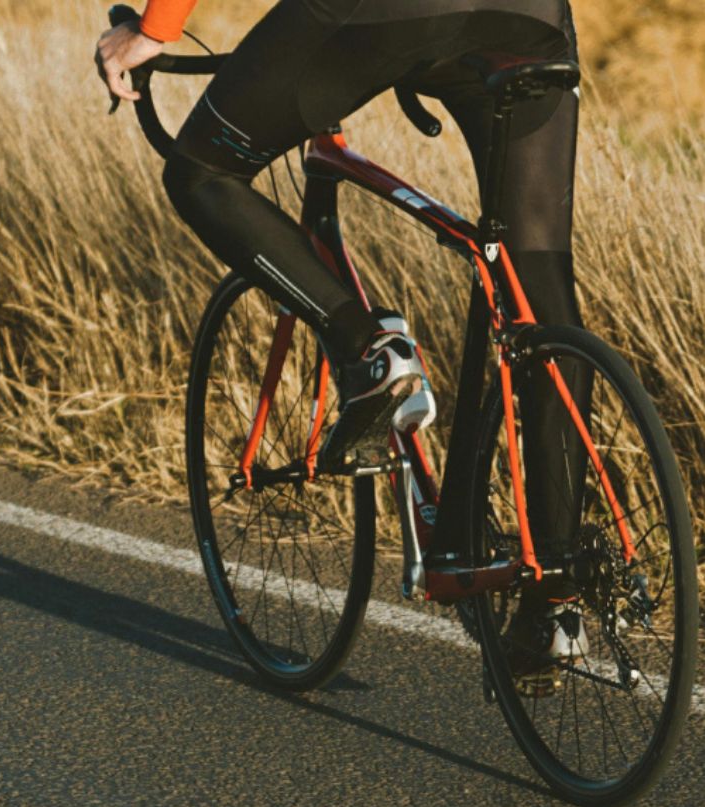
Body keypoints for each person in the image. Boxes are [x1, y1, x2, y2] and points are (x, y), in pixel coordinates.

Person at [95, 0, 588, 689]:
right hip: (528, 14)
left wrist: (154, 31)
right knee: (535, 282)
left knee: (200, 172)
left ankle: (368, 351)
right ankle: (556, 594)